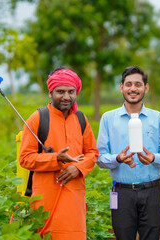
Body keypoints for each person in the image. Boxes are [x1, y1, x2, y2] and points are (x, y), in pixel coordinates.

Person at [19, 67, 99, 239]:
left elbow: (92, 152)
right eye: (60, 91)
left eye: (71, 92)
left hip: (74, 196)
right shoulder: (37, 118)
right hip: (45, 198)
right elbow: (25, 159)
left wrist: (77, 168)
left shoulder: (81, 119)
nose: (66, 96)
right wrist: (56, 158)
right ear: (50, 93)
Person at [97, 66, 160, 240]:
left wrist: (154, 158)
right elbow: (100, 158)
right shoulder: (109, 119)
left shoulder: (157, 118)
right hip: (121, 192)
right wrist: (117, 158)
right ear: (121, 87)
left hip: (152, 191)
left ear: (145, 88)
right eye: (128, 84)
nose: (133, 89)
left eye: (138, 84)